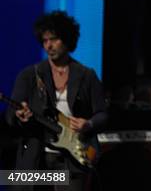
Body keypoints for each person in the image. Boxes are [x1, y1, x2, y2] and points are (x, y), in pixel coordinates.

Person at [5, 11, 107, 191]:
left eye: (54, 39)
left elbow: (103, 114)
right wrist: (19, 115)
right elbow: (10, 115)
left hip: (73, 160)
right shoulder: (29, 75)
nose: (48, 45)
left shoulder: (86, 75)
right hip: (35, 158)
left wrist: (88, 124)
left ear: (67, 40)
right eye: (44, 41)